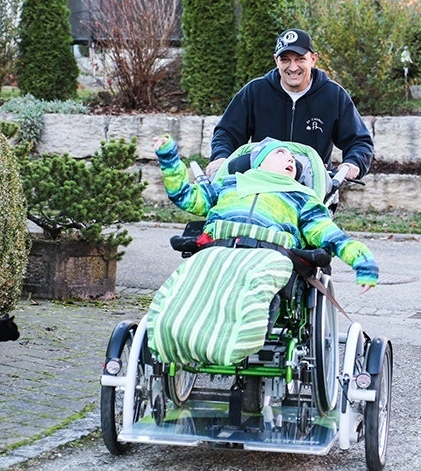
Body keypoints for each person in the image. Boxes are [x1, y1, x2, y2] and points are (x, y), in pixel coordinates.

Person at [155, 134, 378, 290]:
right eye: (281, 153)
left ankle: (233, 342)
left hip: (271, 257)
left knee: (255, 289)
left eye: (293, 159)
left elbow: (325, 231)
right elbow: (185, 196)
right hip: (217, 250)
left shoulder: (301, 196)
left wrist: (360, 259)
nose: (291, 158)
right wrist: (170, 160)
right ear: (258, 164)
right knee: (181, 285)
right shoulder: (228, 184)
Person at [206, 28, 374, 182]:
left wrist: (353, 163)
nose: (293, 67)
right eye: (285, 60)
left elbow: (359, 141)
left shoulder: (333, 95)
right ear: (276, 60)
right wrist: (221, 157)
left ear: (313, 59)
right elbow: (227, 132)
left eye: (300, 59)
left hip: (312, 184)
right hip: (263, 182)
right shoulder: (255, 91)